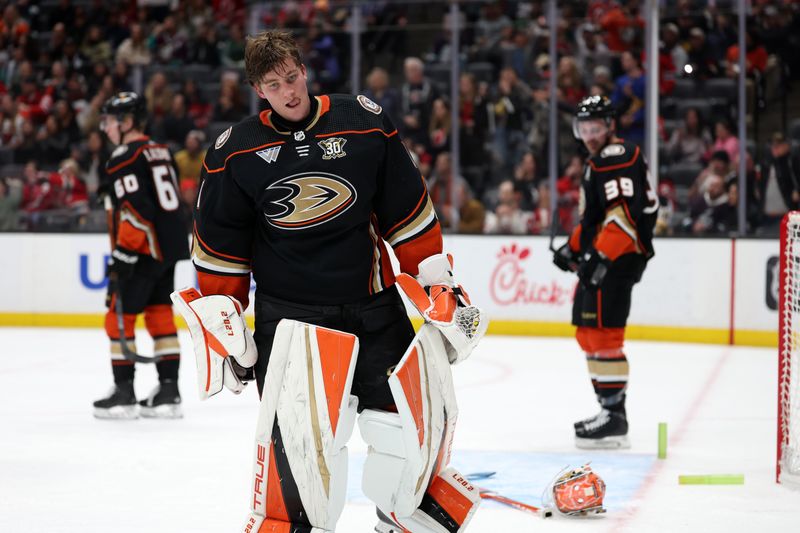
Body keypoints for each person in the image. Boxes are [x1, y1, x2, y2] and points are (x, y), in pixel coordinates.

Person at [183, 30, 484, 533]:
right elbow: (221, 253)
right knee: (302, 453)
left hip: (373, 309)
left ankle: (405, 519)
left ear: (305, 70)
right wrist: (225, 330)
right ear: (259, 89)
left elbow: (407, 215)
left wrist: (438, 285)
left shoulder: (362, 122)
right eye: (275, 84)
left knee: (409, 435)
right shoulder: (233, 153)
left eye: (293, 76)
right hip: (291, 323)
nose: (289, 91)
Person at [553, 95, 658, 449]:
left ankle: (615, 417)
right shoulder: (598, 161)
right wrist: (575, 246)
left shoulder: (617, 157)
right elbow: (596, 217)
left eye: (596, 127)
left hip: (618, 257)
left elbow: (624, 217)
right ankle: (608, 411)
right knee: (589, 332)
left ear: (610, 126)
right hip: (606, 255)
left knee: (606, 335)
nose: (590, 134)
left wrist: (599, 256)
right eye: (584, 128)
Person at [94, 91, 188, 420]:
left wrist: (124, 254)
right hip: (170, 247)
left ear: (127, 121)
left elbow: (136, 210)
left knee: (117, 316)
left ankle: (123, 393)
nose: (105, 128)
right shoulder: (161, 150)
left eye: (109, 121)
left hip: (143, 248)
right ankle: (168, 391)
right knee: (160, 312)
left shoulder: (123, 156)